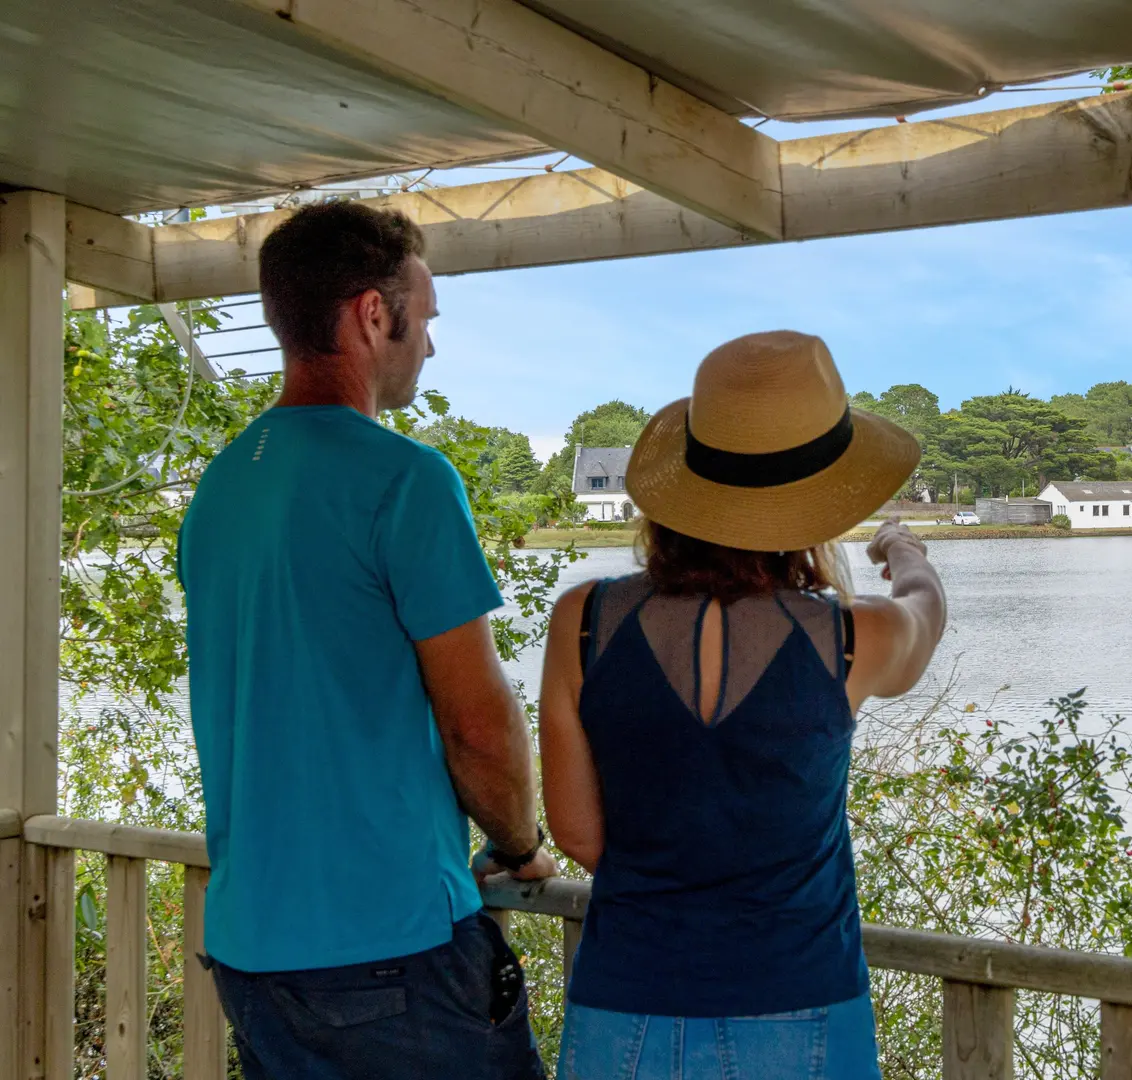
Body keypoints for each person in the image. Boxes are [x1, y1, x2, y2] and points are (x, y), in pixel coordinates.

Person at [177, 200, 555, 1080]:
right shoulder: (406, 481)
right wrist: (520, 843)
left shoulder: (221, 488)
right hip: (391, 950)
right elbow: (476, 725)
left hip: (252, 950)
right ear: (372, 314)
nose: (429, 343)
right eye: (422, 318)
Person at [538, 331, 947, 1080]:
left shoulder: (582, 621)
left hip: (623, 1001)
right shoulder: (857, 637)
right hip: (803, 1006)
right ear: (819, 498)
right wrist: (906, 553)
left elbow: (578, 834)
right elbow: (924, 614)